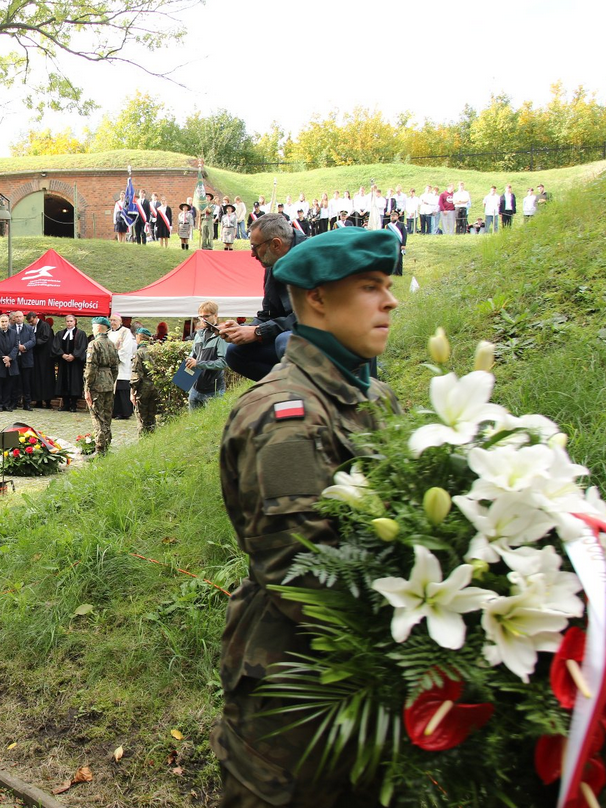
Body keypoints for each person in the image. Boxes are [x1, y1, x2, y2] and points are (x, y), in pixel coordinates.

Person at [211, 226, 400, 808]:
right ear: (316, 299)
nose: (390, 301)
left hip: (365, 687)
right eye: (370, 286)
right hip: (296, 703)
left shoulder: (374, 395)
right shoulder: (285, 417)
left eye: (387, 286)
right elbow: (306, 578)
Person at [220, 214, 306, 382]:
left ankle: (306, 395)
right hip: (291, 334)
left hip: (326, 337)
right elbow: (268, 313)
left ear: (276, 244)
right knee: (234, 353)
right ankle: (286, 391)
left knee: (285, 341)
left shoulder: (311, 258)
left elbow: (308, 317)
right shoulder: (272, 261)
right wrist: (243, 330)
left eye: (255, 246)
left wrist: (259, 332)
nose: (252, 254)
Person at [83, 317, 119, 455]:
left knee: (98, 417)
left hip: (97, 384)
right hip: (109, 383)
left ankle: (100, 449)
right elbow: (116, 367)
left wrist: (87, 388)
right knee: (107, 417)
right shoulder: (111, 344)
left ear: (98, 328)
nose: (92, 330)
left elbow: (90, 368)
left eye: (93, 327)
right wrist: (110, 380)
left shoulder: (94, 344)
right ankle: (106, 445)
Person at [186, 301, 229, 409]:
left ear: (215, 315)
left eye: (206, 316)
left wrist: (198, 363)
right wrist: (189, 360)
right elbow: (194, 354)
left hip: (213, 391)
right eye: (201, 317)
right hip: (195, 389)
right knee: (192, 424)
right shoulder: (199, 335)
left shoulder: (220, 336)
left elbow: (223, 363)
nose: (203, 319)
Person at [52, 314, 87, 411]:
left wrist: (74, 355)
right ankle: (66, 404)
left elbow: (82, 347)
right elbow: (56, 346)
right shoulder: (60, 334)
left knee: (74, 382)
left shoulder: (80, 334)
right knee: (64, 382)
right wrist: (62, 355)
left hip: (75, 363)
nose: (69, 323)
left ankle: (74, 404)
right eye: (67, 321)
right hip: (63, 362)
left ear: (75, 322)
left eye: (71, 321)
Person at [130, 327, 159, 434]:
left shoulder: (139, 353)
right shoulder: (155, 351)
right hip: (155, 387)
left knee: (142, 419)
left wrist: (132, 392)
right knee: (151, 418)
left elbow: (137, 374)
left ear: (139, 337)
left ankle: (143, 443)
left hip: (143, 388)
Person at [0, 312, 19, 411]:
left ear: (9, 322)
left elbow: (16, 346)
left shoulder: (14, 333)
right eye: (2, 322)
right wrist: (4, 358)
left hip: (11, 363)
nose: (4, 324)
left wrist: (9, 358)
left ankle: (6, 404)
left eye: (6, 321)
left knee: (9, 385)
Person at [108, 313, 134, 420]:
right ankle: (114, 411)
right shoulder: (108, 333)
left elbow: (126, 348)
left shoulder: (126, 332)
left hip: (121, 365)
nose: (113, 322)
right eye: (111, 320)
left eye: (115, 320)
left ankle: (123, 412)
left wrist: (116, 358)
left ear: (120, 321)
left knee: (121, 388)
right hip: (110, 365)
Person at [28, 311, 55, 408]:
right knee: (36, 379)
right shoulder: (33, 327)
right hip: (36, 357)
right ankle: (38, 400)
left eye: (31, 321)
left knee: (46, 378)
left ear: (35, 318)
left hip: (45, 357)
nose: (31, 324)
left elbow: (45, 338)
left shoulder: (44, 326)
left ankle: (47, 401)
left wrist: (33, 343)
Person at [11, 310, 35, 411]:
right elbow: (8, 341)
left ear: (23, 317)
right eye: (16, 317)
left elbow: (33, 341)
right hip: (15, 359)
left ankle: (27, 403)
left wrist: (24, 346)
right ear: (14, 318)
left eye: (20, 316)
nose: (18, 318)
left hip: (26, 358)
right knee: (15, 382)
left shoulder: (29, 328)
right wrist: (17, 347)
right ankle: (15, 402)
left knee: (26, 382)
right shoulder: (10, 328)